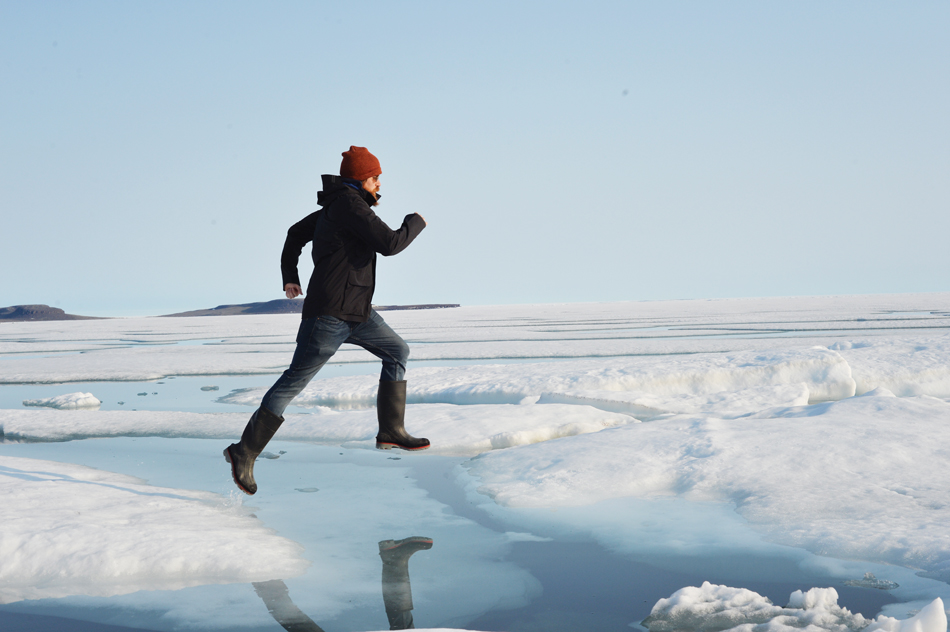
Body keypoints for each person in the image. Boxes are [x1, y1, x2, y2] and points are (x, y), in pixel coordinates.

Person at [225, 146, 429, 495]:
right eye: (375, 178)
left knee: (397, 351)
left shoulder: (340, 207)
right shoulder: (349, 206)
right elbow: (390, 244)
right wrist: (416, 222)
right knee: (292, 383)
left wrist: (290, 275)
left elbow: (294, 233)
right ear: (361, 180)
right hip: (330, 314)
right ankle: (243, 451)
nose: (379, 183)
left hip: (357, 312)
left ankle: (391, 431)